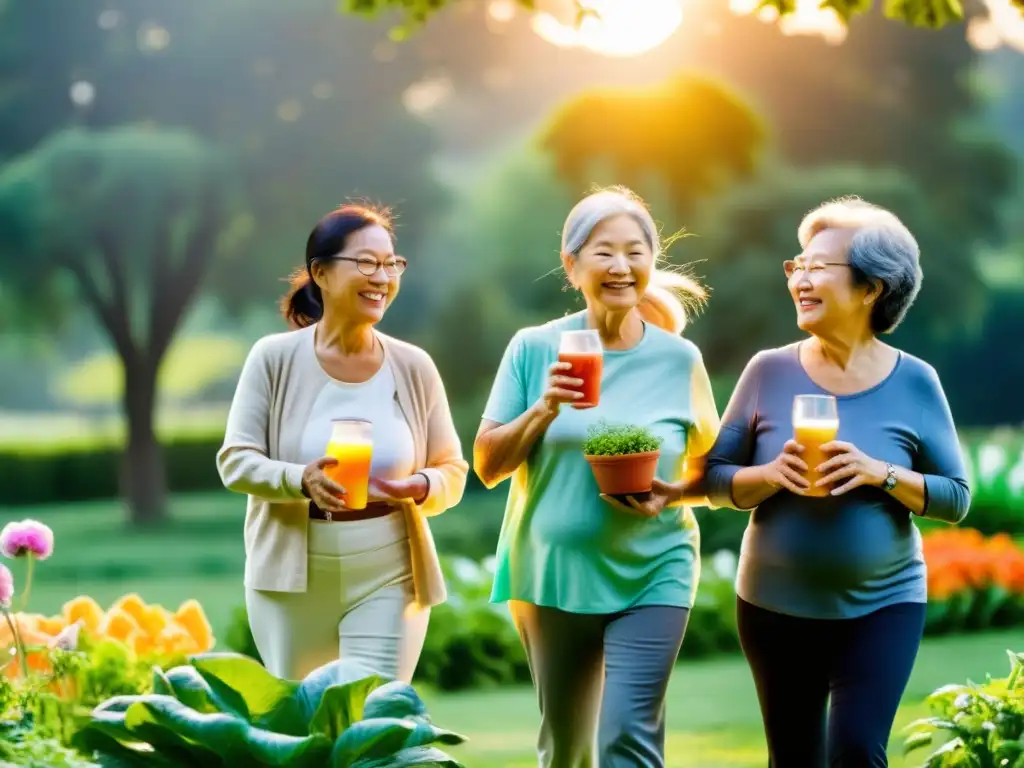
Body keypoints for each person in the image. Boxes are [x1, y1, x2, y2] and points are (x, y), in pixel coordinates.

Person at [705, 196, 971, 767]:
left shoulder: (916, 381)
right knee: (795, 758)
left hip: (884, 604)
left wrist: (883, 474)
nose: (800, 277)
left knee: (855, 750)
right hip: (774, 606)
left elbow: (956, 498)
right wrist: (770, 474)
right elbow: (714, 479)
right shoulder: (767, 370)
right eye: (796, 265)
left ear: (872, 287)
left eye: (818, 266)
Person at [474, 187, 721, 768]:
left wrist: (676, 492)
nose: (621, 266)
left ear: (651, 263)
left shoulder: (678, 359)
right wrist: (544, 408)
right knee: (568, 750)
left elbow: (713, 467)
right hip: (554, 572)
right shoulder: (533, 349)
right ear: (572, 265)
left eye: (635, 252)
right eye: (604, 252)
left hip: (655, 567)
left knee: (627, 738)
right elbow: (487, 466)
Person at [216, 204, 468, 683]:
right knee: (310, 735)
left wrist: (417, 486)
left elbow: (453, 469)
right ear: (321, 274)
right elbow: (235, 461)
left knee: (375, 725)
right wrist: (299, 479)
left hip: (389, 571)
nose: (383, 276)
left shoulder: (414, 366)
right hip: (292, 580)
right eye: (367, 262)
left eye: (392, 263)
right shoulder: (274, 358)